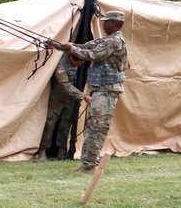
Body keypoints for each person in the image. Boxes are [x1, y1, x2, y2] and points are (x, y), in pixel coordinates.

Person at [47, 10, 127, 173]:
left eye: (106, 22)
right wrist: (60, 46)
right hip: (101, 89)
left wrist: (72, 50)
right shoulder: (107, 40)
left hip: (107, 90)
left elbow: (92, 55)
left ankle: (89, 165)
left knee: (97, 126)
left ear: (114, 23)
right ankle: (88, 163)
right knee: (94, 125)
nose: (103, 24)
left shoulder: (114, 41)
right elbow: (86, 46)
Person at [34, 54, 90, 160]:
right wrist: (84, 96)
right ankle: (42, 150)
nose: (81, 65)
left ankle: (62, 151)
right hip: (56, 99)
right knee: (49, 125)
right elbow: (65, 84)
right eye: (80, 62)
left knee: (65, 126)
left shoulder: (78, 60)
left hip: (71, 100)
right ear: (71, 57)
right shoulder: (60, 64)